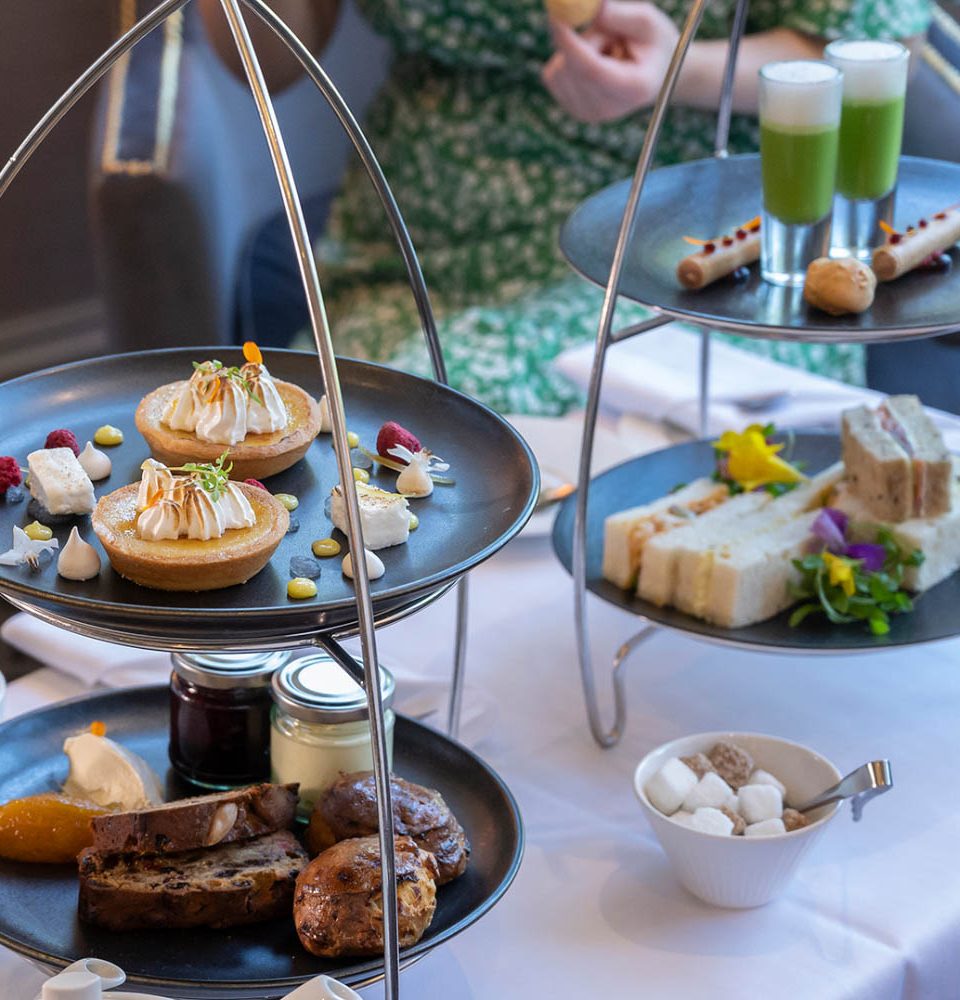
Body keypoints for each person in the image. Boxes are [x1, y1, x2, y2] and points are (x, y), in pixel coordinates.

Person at [202, 0, 930, 416]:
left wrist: (674, 68)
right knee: (338, 441)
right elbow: (261, 62)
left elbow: (872, 45)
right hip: (415, 253)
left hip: (687, 246)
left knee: (438, 424)